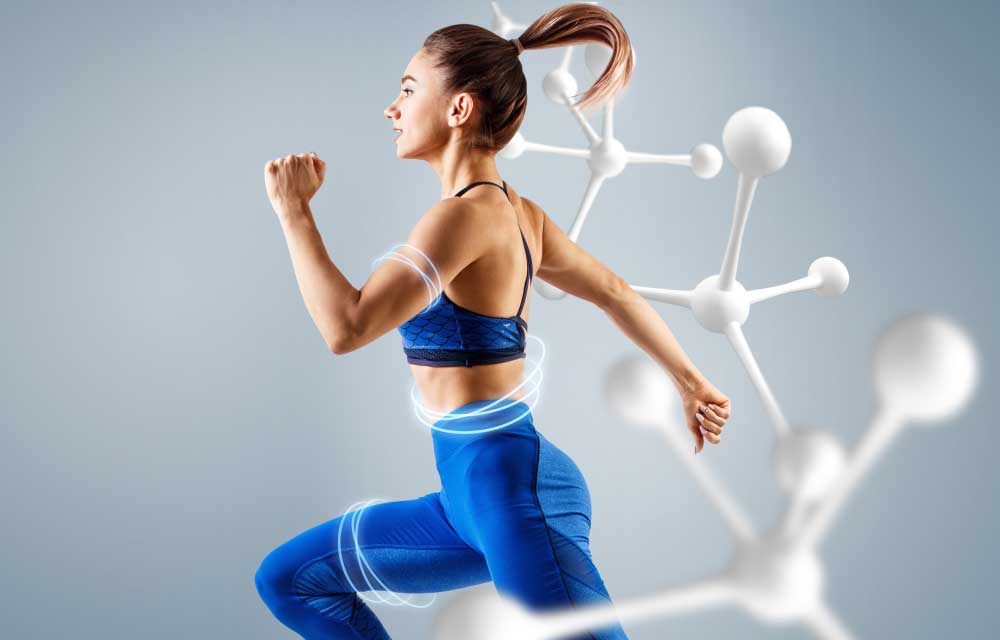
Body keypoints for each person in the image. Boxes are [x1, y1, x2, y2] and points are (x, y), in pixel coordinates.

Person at [255, 4, 731, 638]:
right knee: (293, 579)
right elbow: (614, 290)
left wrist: (295, 214)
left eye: (407, 89)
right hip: (466, 499)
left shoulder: (463, 218)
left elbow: (347, 327)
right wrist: (691, 380)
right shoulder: (518, 213)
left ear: (458, 109)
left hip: (512, 490)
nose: (391, 108)